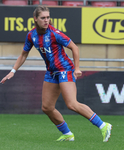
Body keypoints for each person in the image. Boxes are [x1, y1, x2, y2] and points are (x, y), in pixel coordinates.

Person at [0, 5, 112, 142]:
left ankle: (103, 125)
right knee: (47, 107)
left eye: (48, 17)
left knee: (71, 104)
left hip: (65, 69)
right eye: (43, 18)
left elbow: (74, 47)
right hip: (51, 72)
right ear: (35, 19)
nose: (46, 20)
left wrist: (77, 68)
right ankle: (67, 134)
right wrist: (13, 71)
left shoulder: (54, 33)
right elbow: (24, 54)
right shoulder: (31, 35)